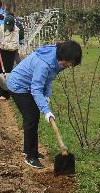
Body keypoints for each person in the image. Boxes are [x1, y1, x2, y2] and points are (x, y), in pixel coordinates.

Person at [8, 41, 82, 169]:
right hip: (18, 85)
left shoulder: (58, 60)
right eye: (68, 63)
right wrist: (46, 111)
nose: (68, 66)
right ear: (63, 57)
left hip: (28, 86)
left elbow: (48, 79)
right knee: (31, 117)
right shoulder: (44, 64)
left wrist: (47, 95)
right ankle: (30, 156)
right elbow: (36, 89)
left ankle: (29, 150)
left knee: (32, 117)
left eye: (70, 64)